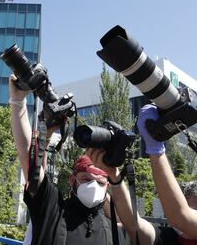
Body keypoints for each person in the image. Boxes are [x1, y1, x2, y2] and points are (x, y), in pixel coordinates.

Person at [9, 74, 125, 245]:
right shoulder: (53, 211)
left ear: (108, 186)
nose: (93, 186)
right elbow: (31, 161)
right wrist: (18, 102)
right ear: (73, 180)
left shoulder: (115, 230)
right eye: (86, 179)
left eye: (100, 182)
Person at [136, 104, 197, 244]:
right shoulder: (167, 237)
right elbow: (134, 226)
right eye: (177, 201)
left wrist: (156, 150)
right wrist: (112, 176)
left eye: (193, 209)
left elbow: (180, 216)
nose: (174, 206)